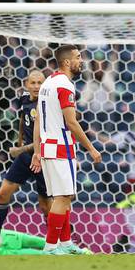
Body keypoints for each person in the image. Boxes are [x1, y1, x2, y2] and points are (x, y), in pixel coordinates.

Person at [31, 45, 102, 255]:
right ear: (67, 62)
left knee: (63, 197)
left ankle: (66, 242)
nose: (81, 61)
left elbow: (38, 120)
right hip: (61, 147)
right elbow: (71, 122)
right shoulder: (64, 85)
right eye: (78, 57)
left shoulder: (48, 82)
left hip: (48, 146)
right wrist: (91, 148)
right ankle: (51, 247)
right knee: (63, 197)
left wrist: (37, 149)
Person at [0, 70, 51, 252]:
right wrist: (19, 141)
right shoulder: (25, 99)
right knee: (2, 193)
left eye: (40, 83)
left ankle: (58, 242)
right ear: (26, 84)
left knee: (46, 206)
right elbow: (23, 120)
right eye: (32, 82)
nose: (36, 86)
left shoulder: (47, 105)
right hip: (26, 157)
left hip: (42, 157)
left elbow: (46, 136)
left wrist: (20, 149)